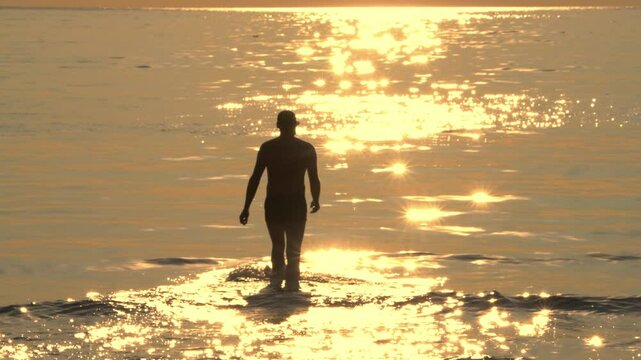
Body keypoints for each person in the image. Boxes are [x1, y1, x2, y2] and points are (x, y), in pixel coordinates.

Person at [239, 110, 321, 292]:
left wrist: (246, 207)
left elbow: (255, 178)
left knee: (277, 246)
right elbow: (314, 178)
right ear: (294, 126)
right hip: (296, 204)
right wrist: (316, 199)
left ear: (278, 126)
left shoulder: (268, 148)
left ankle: (275, 287)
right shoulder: (306, 148)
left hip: (274, 204)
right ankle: (292, 289)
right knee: (294, 251)